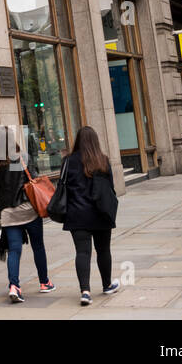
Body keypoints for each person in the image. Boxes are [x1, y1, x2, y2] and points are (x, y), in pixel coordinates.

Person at [0, 126, 53, 303]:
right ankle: (44, 282)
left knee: (14, 251)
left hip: (8, 213)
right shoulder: (23, 157)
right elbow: (34, 177)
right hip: (28, 210)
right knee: (38, 246)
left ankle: (14, 286)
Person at [61, 126, 120, 306]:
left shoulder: (68, 161)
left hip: (77, 215)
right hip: (100, 213)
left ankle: (85, 292)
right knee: (103, 250)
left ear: (77, 141)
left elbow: (64, 187)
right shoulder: (102, 160)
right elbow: (111, 188)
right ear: (96, 141)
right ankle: (107, 284)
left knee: (82, 252)